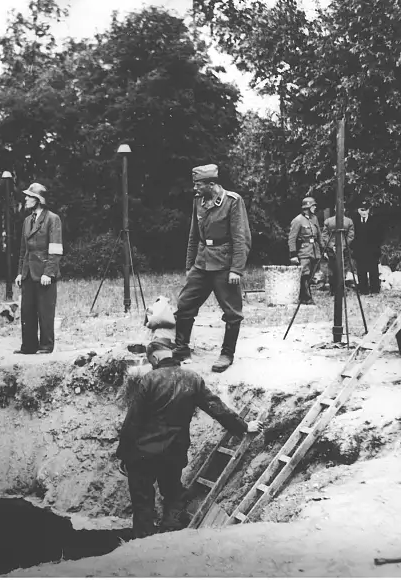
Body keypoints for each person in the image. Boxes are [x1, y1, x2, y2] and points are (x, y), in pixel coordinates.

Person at [115, 339, 265, 539]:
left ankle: (143, 542)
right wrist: (244, 426)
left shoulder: (149, 380)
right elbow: (216, 407)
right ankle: (170, 538)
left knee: (142, 502)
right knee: (172, 496)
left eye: (151, 361)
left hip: (144, 454)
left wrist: (124, 455)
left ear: (154, 357)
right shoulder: (193, 378)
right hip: (174, 453)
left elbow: (132, 421)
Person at [173, 164, 252, 373]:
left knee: (232, 312)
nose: (195, 188)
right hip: (201, 262)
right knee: (184, 304)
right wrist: (190, 265)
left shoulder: (232, 202)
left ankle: (227, 354)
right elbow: (193, 235)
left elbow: (240, 237)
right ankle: (181, 349)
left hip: (224, 265)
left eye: (198, 184)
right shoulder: (198, 202)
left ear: (212, 184)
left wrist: (237, 269)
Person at [14, 183, 63, 354]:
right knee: (27, 311)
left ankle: (46, 345)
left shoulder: (52, 219)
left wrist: (48, 273)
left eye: (29, 196)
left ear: (38, 200)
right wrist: (20, 272)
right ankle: (28, 346)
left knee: (45, 311)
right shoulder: (27, 221)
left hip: (44, 273)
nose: (26, 199)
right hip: (28, 273)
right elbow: (23, 250)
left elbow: (56, 249)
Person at [288, 197, 324, 304]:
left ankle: (303, 296)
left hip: (314, 250)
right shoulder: (298, 220)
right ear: (307, 207)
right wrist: (293, 254)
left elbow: (319, 235)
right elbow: (292, 238)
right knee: (304, 273)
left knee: (311, 274)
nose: (315, 208)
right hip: (303, 251)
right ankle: (306, 297)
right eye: (313, 206)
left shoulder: (314, 219)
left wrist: (323, 249)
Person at [351, 200, 384, 294]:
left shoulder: (375, 221)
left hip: (372, 251)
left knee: (373, 270)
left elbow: (380, 236)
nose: (364, 212)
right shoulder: (355, 222)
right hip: (360, 251)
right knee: (361, 271)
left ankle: (375, 289)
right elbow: (353, 236)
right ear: (358, 210)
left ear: (369, 210)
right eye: (362, 210)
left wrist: (376, 247)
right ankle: (363, 289)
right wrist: (355, 247)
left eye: (366, 210)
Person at [322, 208, 355, 295]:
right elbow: (324, 235)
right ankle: (333, 290)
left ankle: (341, 289)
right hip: (332, 249)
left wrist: (342, 246)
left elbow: (350, 236)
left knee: (342, 269)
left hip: (343, 249)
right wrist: (332, 245)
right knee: (332, 269)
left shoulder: (348, 221)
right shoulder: (329, 221)